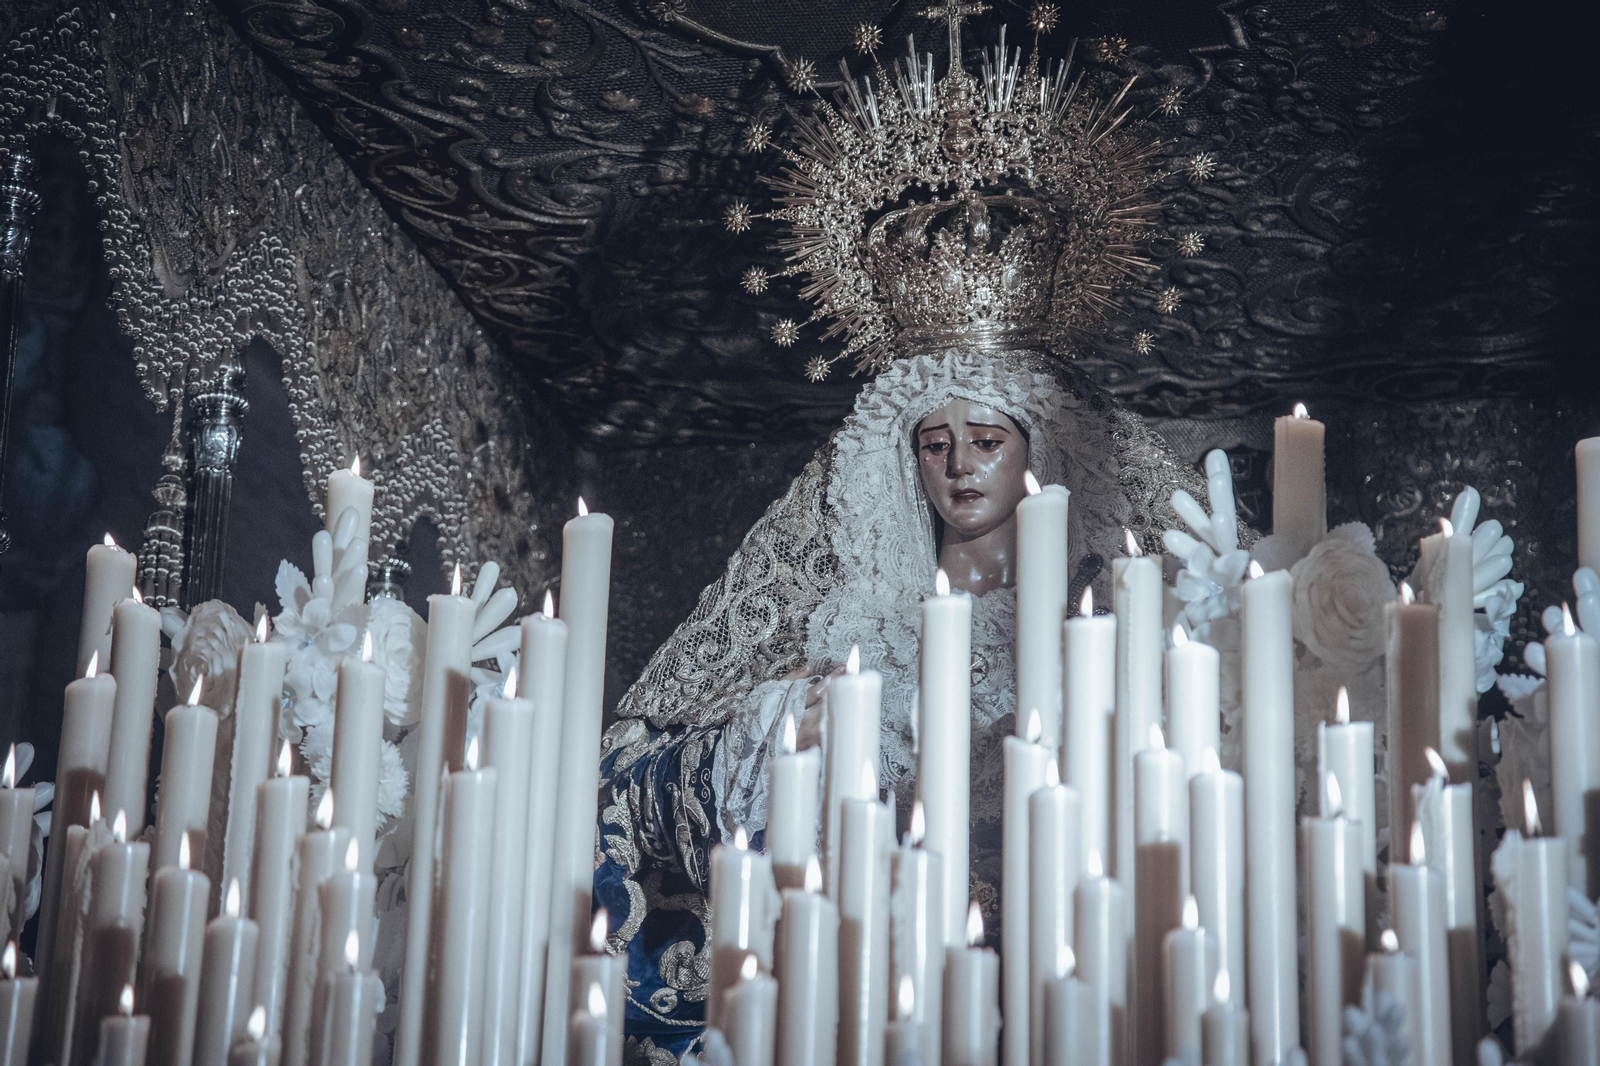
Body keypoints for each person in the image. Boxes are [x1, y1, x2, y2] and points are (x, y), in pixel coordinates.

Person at [589, 16, 1206, 1061]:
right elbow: (668, 771)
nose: (960, 464)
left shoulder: (1107, 618)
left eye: (985, 439)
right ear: (902, 456)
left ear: (1035, 451)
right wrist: (787, 725)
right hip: (852, 985)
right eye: (934, 441)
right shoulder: (853, 611)